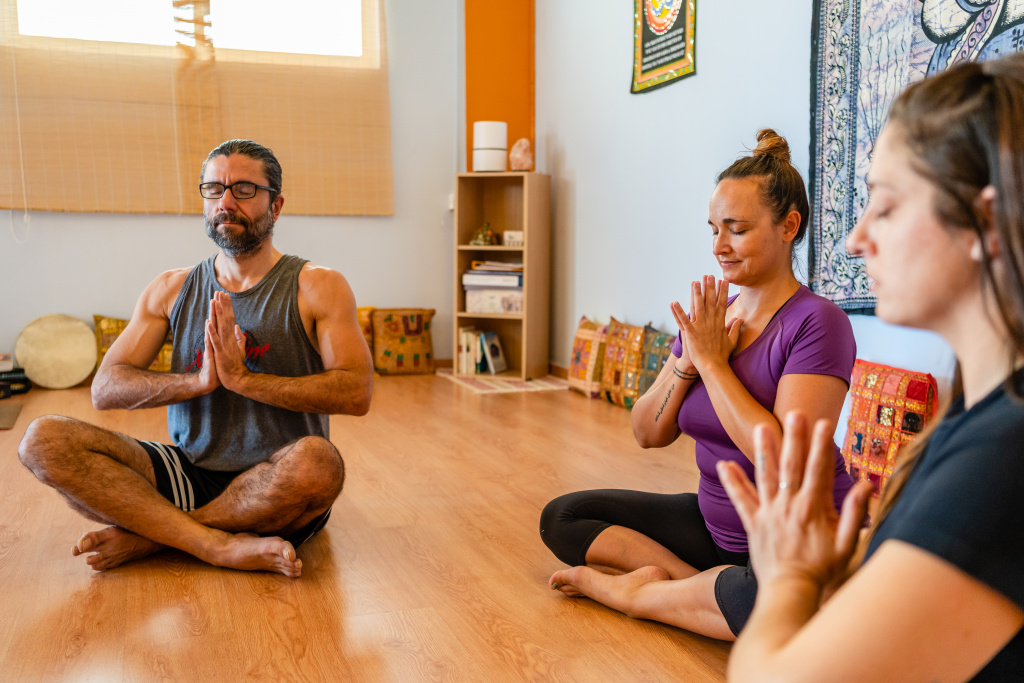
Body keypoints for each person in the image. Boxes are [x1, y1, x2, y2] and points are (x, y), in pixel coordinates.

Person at [718, 55, 1024, 681]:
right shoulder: (977, 415)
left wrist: (789, 578)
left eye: (884, 207)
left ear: (986, 222)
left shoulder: (1004, 456)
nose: (856, 240)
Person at [539, 130, 858, 640]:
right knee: (564, 517)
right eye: (713, 230)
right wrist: (689, 361)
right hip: (716, 531)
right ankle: (703, 590)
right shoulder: (713, 317)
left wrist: (713, 364)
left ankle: (640, 595)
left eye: (737, 230)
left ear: (789, 226)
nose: (718, 247)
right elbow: (647, 432)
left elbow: (784, 461)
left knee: (784, 603)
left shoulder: (818, 323)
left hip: (799, 541)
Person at [18, 139, 374, 578]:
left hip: (277, 481)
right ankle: (212, 543)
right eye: (214, 189)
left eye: (244, 189)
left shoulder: (318, 286)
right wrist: (199, 381)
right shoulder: (171, 288)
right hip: (187, 471)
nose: (226, 202)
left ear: (276, 205)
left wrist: (245, 380)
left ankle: (157, 535)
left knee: (320, 464)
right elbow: (105, 388)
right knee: (42, 440)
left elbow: (356, 391)